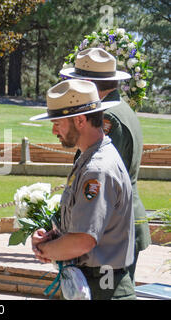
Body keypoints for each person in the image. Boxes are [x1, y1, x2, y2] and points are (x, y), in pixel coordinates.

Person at [30, 79, 136, 300]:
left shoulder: (97, 169)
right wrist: (53, 238)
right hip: (93, 284)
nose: (53, 131)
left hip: (103, 289)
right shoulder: (90, 158)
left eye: (58, 122)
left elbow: (82, 240)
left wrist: (44, 251)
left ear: (79, 120)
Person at [60, 48, 151, 285]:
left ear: (89, 83)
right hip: (118, 222)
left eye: (77, 80)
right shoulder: (118, 109)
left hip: (112, 228)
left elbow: (104, 179)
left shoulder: (108, 117)